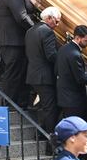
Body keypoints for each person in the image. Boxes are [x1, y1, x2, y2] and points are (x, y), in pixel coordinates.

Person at [0, 0, 34, 109]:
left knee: (16, 73)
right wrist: (36, 29)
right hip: (14, 42)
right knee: (13, 75)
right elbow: (22, 17)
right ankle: (9, 105)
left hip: (12, 41)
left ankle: (18, 103)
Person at [25, 7, 61, 136]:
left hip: (33, 75)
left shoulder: (30, 31)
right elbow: (51, 55)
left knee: (45, 106)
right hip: (44, 76)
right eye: (56, 21)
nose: (57, 25)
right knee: (50, 108)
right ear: (49, 18)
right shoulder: (47, 32)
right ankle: (48, 135)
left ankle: (41, 133)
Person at [56, 25, 87, 120]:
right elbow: (80, 78)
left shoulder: (63, 49)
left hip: (64, 96)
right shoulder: (75, 54)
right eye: (86, 41)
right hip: (74, 99)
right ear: (77, 38)